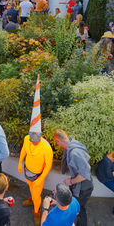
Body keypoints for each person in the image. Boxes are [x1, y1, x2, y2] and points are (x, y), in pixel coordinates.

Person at [18, 76, 53, 226]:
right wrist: (20, 163)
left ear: (40, 135)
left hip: (38, 175)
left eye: (35, 139)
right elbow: (23, 152)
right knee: (31, 190)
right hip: (28, 172)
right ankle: (32, 199)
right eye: (31, 139)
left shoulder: (46, 147)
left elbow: (49, 165)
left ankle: (37, 212)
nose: (32, 141)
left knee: (37, 193)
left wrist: (41, 178)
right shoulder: (27, 139)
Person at [54, 129, 93, 226]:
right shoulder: (72, 143)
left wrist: (71, 181)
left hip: (83, 188)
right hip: (79, 186)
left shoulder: (75, 153)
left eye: (56, 142)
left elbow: (84, 174)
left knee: (80, 209)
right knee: (75, 206)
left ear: (58, 141)